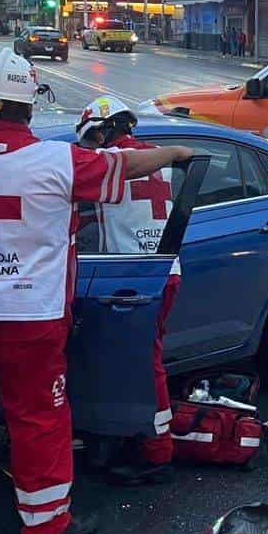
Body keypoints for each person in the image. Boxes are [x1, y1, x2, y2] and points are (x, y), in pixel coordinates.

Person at [0, 48, 191, 534]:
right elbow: (128, 165)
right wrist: (175, 154)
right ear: (27, 106)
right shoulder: (56, 160)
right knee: (39, 416)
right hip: (30, 318)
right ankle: (44, 522)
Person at [73, 94, 178, 485]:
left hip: (130, 276)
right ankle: (125, 439)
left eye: (90, 140)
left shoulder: (106, 164)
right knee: (135, 363)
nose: (87, 149)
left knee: (143, 366)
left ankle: (157, 453)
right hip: (165, 272)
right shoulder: (160, 158)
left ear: (103, 132)